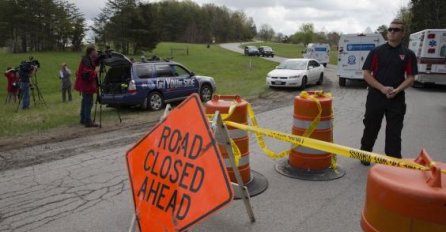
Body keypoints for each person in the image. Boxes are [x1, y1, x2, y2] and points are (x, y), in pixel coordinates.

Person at [360, 19, 418, 165]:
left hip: (396, 98)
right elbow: (366, 74)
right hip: (376, 96)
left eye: (396, 30)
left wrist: (397, 90)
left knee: (394, 131)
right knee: (371, 127)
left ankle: (392, 161)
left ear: (403, 33)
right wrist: (382, 88)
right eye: (390, 29)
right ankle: (365, 155)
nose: (392, 32)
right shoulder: (376, 52)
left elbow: (411, 78)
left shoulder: (408, 54)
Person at [74, 45, 99, 127]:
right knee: (88, 102)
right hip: (86, 85)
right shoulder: (86, 61)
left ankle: (83, 119)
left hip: (85, 85)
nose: (97, 52)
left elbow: (93, 63)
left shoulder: (87, 59)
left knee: (85, 101)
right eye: (96, 51)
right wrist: (96, 71)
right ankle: (87, 121)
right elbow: (87, 74)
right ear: (92, 52)